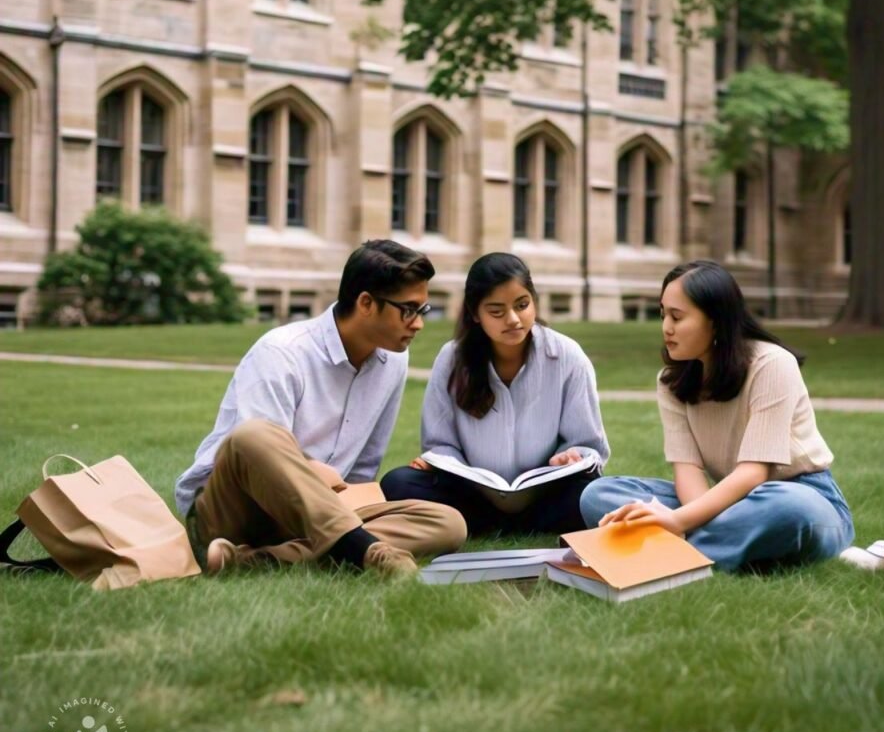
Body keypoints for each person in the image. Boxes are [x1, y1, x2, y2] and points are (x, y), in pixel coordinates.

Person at [175, 239, 467, 578]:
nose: (418, 324)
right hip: (237, 511)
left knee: (449, 523)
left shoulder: (394, 361)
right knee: (253, 435)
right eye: (408, 309)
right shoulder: (281, 353)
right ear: (366, 303)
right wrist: (315, 473)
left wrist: (343, 496)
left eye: (423, 311)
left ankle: (255, 561)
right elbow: (254, 457)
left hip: (319, 514)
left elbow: (361, 472)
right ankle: (368, 552)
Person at [580, 260, 853, 572]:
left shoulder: (773, 364)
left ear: (716, 321)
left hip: (800, 496)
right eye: (662, 314)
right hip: (727, 500)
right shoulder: (672, 381)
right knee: (598, 494)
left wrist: (678, 521)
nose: (666, 327)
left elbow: (754, 474)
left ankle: (665, 560)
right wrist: (686, 516)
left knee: (789, 508)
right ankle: (728, 545)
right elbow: (688, 470)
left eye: (677, 317)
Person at [380, 252, 610, 535]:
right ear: (475, 314)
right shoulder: (452, 359)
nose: (513, 319)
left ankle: (498, 526)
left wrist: (570, 455)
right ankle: (507, 525)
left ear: (534, 302)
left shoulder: (567, 356)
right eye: (497, 311)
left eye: (522, 305)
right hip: (473, 496)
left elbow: (589, 446)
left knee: (597, 493)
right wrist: (436, 461)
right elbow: (440, 444)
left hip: (546, 496)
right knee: (398, 483)